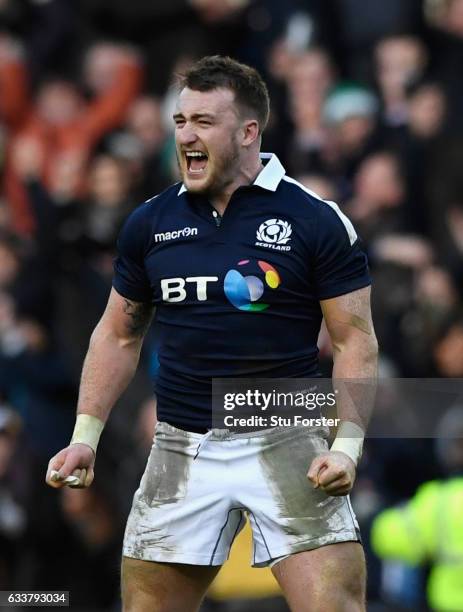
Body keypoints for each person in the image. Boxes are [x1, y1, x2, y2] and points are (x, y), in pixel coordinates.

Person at [45, 55, 378, 612]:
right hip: (182, 443)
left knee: (336, 604)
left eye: (203, 121)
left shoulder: (315, 219)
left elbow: (355, 341)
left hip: (287, 434)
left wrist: (347, 447)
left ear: (249, 132)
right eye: (180, 122)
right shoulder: (149, 222)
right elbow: (117, 335)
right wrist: (85, 436)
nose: (186, 135)